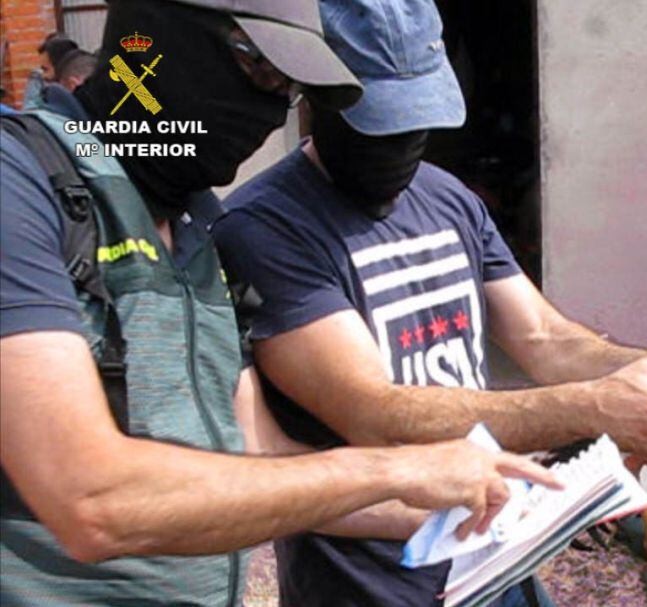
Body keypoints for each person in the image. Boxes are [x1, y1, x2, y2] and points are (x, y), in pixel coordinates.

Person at [0, 0, 559, 605]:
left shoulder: (200, 226)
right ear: (154, 40)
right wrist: (391, 468)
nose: (269, 113)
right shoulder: (21, 181)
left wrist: (472, 501)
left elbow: (261, 452)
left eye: (288, 88)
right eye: (261, 71)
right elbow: (88, 499)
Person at [212, 0, 647, 604]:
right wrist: (597, 408)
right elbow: (370, 410)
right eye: (380, 122)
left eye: (417, 122)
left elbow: (545, 339)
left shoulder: (448, 197)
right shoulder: (264, 228)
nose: (402, 145)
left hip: (499, 562)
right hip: (376, 586)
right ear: (315, 97)